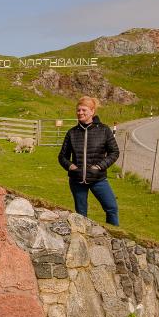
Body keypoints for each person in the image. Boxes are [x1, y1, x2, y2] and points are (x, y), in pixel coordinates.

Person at [58, 96, 120, 226]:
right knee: (81, 214)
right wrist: (71, 167)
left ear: (92, 111)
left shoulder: (104, 130)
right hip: (77, 181)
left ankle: (115, 239)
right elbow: (62, 157)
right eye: (78, 110)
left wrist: (99, 166)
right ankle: (83, 240)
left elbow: (114, 152)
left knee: (112, 208)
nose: (80, 113)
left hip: (98, 179)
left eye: (84, 110)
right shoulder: (72, 133)